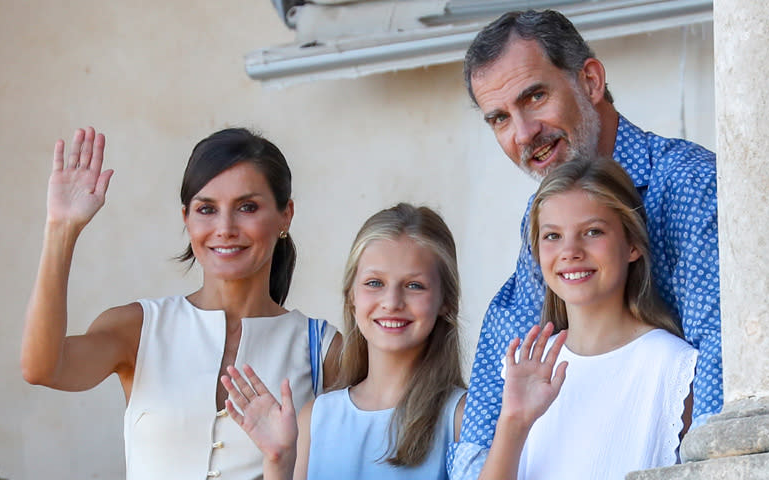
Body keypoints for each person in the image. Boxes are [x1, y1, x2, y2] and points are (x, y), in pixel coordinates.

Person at [449, 9, 720, 478]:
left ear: (591, 81)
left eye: (535, 96)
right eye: (499, 118)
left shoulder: (690, 183)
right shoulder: (537, 216)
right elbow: (507, 347)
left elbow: (721, 357)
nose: (522, 133)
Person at [21, 126, 342, 480]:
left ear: (286, 215)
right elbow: (43, 368)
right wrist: (61, 229)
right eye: (207, 209)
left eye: (247, 207)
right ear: (186, 217)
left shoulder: (323, 349)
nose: (225, 227)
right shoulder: (138, 327)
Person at [479, 158, 697, 479]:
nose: (570, 251)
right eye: (552, 236)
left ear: (632, 244)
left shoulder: (673, 369)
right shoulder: (525, 369)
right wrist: (514, 421)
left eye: (593, 232)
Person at [221, 203, 468, 480]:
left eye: (414, 285)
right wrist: (277, 462)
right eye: (375, 283)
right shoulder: (316, 418)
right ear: (351, 296)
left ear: (446, 301)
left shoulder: (461, 418)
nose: (392, 302)